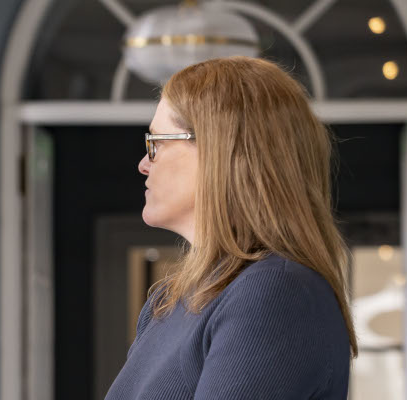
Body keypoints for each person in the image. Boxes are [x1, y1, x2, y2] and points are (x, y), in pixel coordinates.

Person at [105, 56, 355, 399]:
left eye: (158, 142)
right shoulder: (167, 303)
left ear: (221, 149)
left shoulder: (276, 291)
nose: (144, 164)